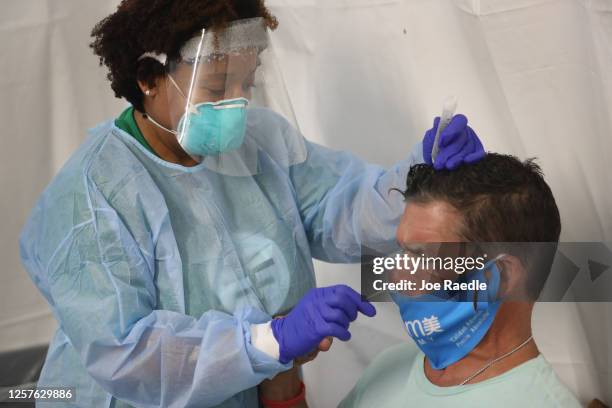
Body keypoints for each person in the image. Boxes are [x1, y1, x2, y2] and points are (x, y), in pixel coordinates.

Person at [19, 1, 485, 407]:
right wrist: (270, 339)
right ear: (149, 78)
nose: (237, 104)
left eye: (248, 82)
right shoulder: (93, 195)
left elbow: (340, 209)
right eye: (217, 87)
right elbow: (125, 352)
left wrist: (421, 174)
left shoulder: (261, 141)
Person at [340, 154, 581, 407]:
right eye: (402, 251)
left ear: (501, 275)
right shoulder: (388, 366)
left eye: (421, 255)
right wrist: (292, 372)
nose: (396, 274)